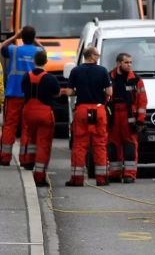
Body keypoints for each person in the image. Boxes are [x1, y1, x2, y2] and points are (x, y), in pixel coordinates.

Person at [66, 46, 112, 186]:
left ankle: (77, 179)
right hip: (98, 109)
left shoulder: (75, 71)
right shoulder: (102, 71)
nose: (98, 57)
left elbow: (69, 92)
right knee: (99, 144)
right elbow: (109, 92)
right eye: (97, 55)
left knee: (79, 145)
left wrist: (79, 92)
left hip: (82, 109)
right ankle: (102, 179)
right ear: (91, 56)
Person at [0, 26, 42, 165]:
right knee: (27, 127)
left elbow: (1, 47)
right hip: (31, 95)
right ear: (33, 37)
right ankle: (25, 159)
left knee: (9, 125)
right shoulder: (38, 51)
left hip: (13, 93)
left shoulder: (14, 49)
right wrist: (35, 41)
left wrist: (14, 37)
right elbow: (44, 51)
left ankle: (5, 157)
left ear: (21, 37)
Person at [107, 53, 147, 183]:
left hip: (129, 116)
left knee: (130, 145)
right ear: (119, 63)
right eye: (126, 62)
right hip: (113, 115)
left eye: (130, 62)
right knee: (113, 145)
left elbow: (142, 101)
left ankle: (129, 174)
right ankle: (115, 173)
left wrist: (141, 119)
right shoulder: (109, 77)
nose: (129, 65)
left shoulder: (136, 80)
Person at [21, 50, 59, 186]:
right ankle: (39, 176)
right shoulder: (50, 78)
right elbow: (56, 94)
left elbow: (23, 90)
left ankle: (28, 161)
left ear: (33, 61)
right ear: (46, 61)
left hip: (28, 112)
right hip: (44, 113)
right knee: (43, 144)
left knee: (30, 138)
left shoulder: (26, 76)